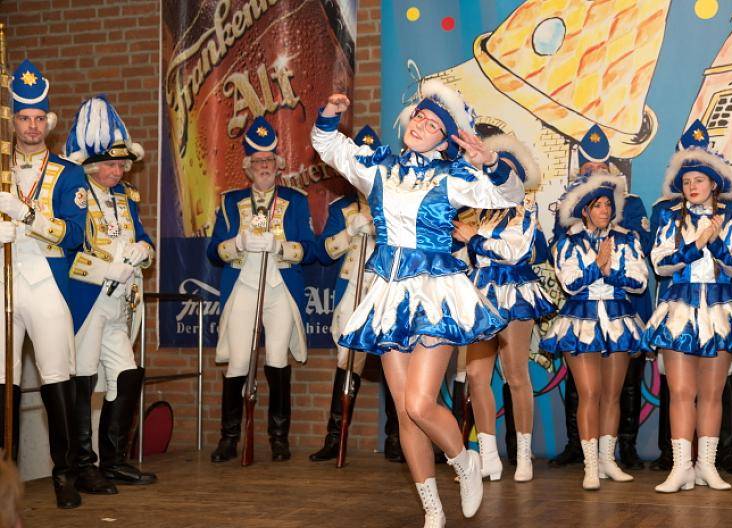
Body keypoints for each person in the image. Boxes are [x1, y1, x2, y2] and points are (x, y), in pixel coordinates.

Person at [312, 79, 523, 527]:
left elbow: (510, 196)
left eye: (432, 124)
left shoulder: (454, 176)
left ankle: (464, 461)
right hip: (390, 295)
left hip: (434, 294)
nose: (420, 125)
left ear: (445, 141)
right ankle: (432, 508)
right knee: (405, 413)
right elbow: (328, 145)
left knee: (420, 404)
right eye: (419, 117)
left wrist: (491, 162)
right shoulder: (378, 167)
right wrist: (330, 113)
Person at [642, 121, 732, 493]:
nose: (692, 187)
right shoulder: (668, 217)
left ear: (714, 183)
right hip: (679, 307)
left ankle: (707, 466)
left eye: (699, 180)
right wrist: (697, 243)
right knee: (680, 392)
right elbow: (661, 264)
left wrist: (716, 241)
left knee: (712, 393)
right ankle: (681, 467)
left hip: (720, 307)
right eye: (686, 181)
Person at [0, 60, 87, 509]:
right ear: (12, 121)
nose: (31, 127)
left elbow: (76, 235)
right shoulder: (0, 164)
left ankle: (64, 474)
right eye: (23, 118)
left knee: (57, 377)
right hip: (3, 279)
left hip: (47, 280)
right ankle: (5, 476)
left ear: (47, 123)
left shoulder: (68, 172)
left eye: (38, 119)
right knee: (3, 381)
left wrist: (27, 215)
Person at [207, 116, 316, 463]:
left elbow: (311, 249)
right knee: (239, 361)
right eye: (258, 162)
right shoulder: (230, 202)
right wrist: (236, 244)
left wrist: (281, 247)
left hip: (280, 288)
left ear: (278, 164)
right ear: (248, 167)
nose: (264, 166)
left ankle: (278, 439)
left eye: (269, 160)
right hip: (243, 286)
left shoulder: (296, 201)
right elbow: (213, 252)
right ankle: (229, 439)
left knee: (277, 359)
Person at [65, 95, 156, 489]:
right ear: (92, 164)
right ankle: (82, 466)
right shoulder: (76, 195)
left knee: (126, 374)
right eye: (111, 164)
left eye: (122, 165)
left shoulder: (126, 198)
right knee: (83, 380)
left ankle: (114, 461)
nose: (119, 171)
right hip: (87, 301)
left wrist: (144, 250)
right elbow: (67, 251)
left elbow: (144, 237)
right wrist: (106, 269)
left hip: (121, 303)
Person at [540, 173, 647, 490]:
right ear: (584, 210)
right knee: (589, 394)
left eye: (607, 205)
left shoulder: (626, 239)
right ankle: (590, 466)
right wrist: (596, 267)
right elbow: (570, 283)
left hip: (618, 320)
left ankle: (607, 460)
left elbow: (639, 281)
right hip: (581, 321)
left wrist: (609, 271)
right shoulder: (567, 242)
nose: (605, 210)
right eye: (597, 205)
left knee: (612, 396)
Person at [457, 134, 554, 482]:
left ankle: (524, 456)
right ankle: (489, 457)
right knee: (475, 376)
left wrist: (474, 239)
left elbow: (514, 252)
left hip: (514, 292)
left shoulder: (525, 210)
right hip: (481, 293)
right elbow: (469, 253)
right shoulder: (479, 212)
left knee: (515, 374)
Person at [309, 125, 403, 464]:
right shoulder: (342, 208)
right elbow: (324, 253)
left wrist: (379, 227)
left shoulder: (396, 203)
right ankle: (336, 438)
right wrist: (350, 231)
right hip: (353, 291)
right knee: (347, 361)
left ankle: (397, 439)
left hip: (386, 291)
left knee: (394, 362)